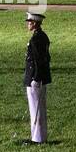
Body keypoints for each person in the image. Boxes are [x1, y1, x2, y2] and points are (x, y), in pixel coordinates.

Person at [23, 12, 50, 144]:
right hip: (41, 77)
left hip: (35, 77)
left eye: (29, 22)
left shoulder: (35, 39)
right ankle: (41, 136)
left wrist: (36, 78)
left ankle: (37, 138)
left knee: (36, 109)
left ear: (34, 23)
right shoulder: (43, 36)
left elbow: (38, 60)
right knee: (40, 108)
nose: (28, 24)